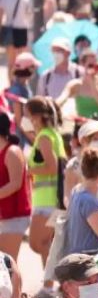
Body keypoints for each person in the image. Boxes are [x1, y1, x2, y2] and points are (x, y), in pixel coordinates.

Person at [23, 97, 65, 275]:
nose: (26, 119)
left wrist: (30, 170)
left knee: (37, 243)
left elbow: (52, 167)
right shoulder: (52, 134)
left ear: (37, 116)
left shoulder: (45, 137)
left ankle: (53, 281)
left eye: (28, 115)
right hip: (53, 200)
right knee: (47, 244)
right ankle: (50, 285)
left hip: (48, 202)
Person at [0, 112, 28, 260]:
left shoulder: (12, 152)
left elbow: (15, 184)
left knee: (8, 265)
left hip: (15, 216)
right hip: (4, 216)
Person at [55, 49, 98, 121]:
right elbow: (62, 99)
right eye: (90, 65)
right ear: (83, 65)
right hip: (82, 128)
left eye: (96, 65)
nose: (94, 68)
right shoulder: (75, 84)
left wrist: (92, 82)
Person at [0, 0, 33, 77]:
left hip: (9, 29)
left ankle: (11, 84)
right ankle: (19, 81)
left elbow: (1, 15)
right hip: (22, 29)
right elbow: (29, 14)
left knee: (11, 61)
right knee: (21, 59)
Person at [8, 53, 38, 142]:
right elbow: (19, 120)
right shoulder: (17, 90)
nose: (35, 69)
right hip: (20, 137)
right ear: (28, 69)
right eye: (33, 67)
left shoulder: (25, 85)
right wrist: (32, 139)